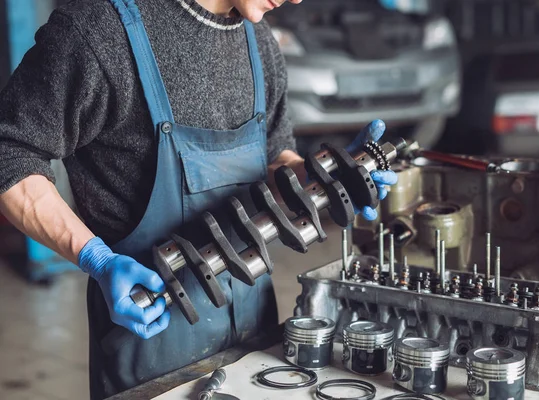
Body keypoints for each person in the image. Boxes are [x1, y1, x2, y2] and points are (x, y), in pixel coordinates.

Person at [0, 0, 397, 398]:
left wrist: (326, 179)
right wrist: (95, 259)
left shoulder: (258, 42)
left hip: (253, 341)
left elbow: (275, 159)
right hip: (151, 339)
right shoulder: (99, 32)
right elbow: (10, 154)